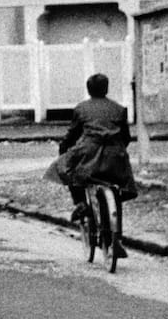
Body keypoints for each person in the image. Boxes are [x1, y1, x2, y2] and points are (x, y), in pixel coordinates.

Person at [53, 72, 134, 257]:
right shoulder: (119, 109)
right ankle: (116, 239)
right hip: (115, 158)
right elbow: (126, 138)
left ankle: (80, 203)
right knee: (116, 190)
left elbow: (72, 136)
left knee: (68, 168)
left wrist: (64, 149)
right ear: (107, 88)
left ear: (88, 89)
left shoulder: (81, 108)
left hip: (89, 156)